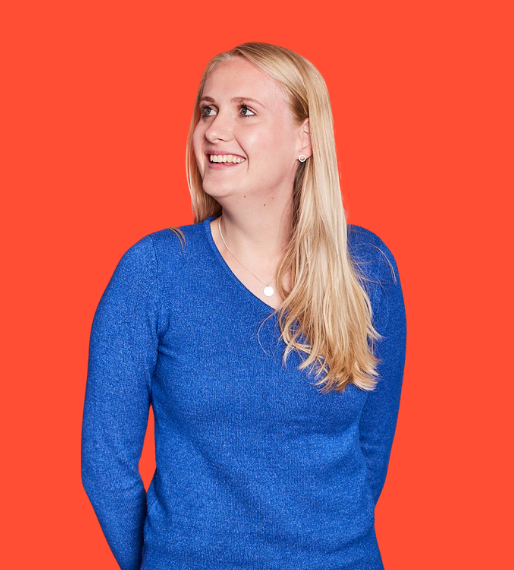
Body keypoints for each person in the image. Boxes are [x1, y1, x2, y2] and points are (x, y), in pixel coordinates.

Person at [81, 42, 407, 570]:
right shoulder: (154, 272)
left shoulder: (367, 269)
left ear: (304, 138)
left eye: (245, 111)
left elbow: (373, 444)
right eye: (208, 110)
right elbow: (105, 463)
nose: (214, 130)